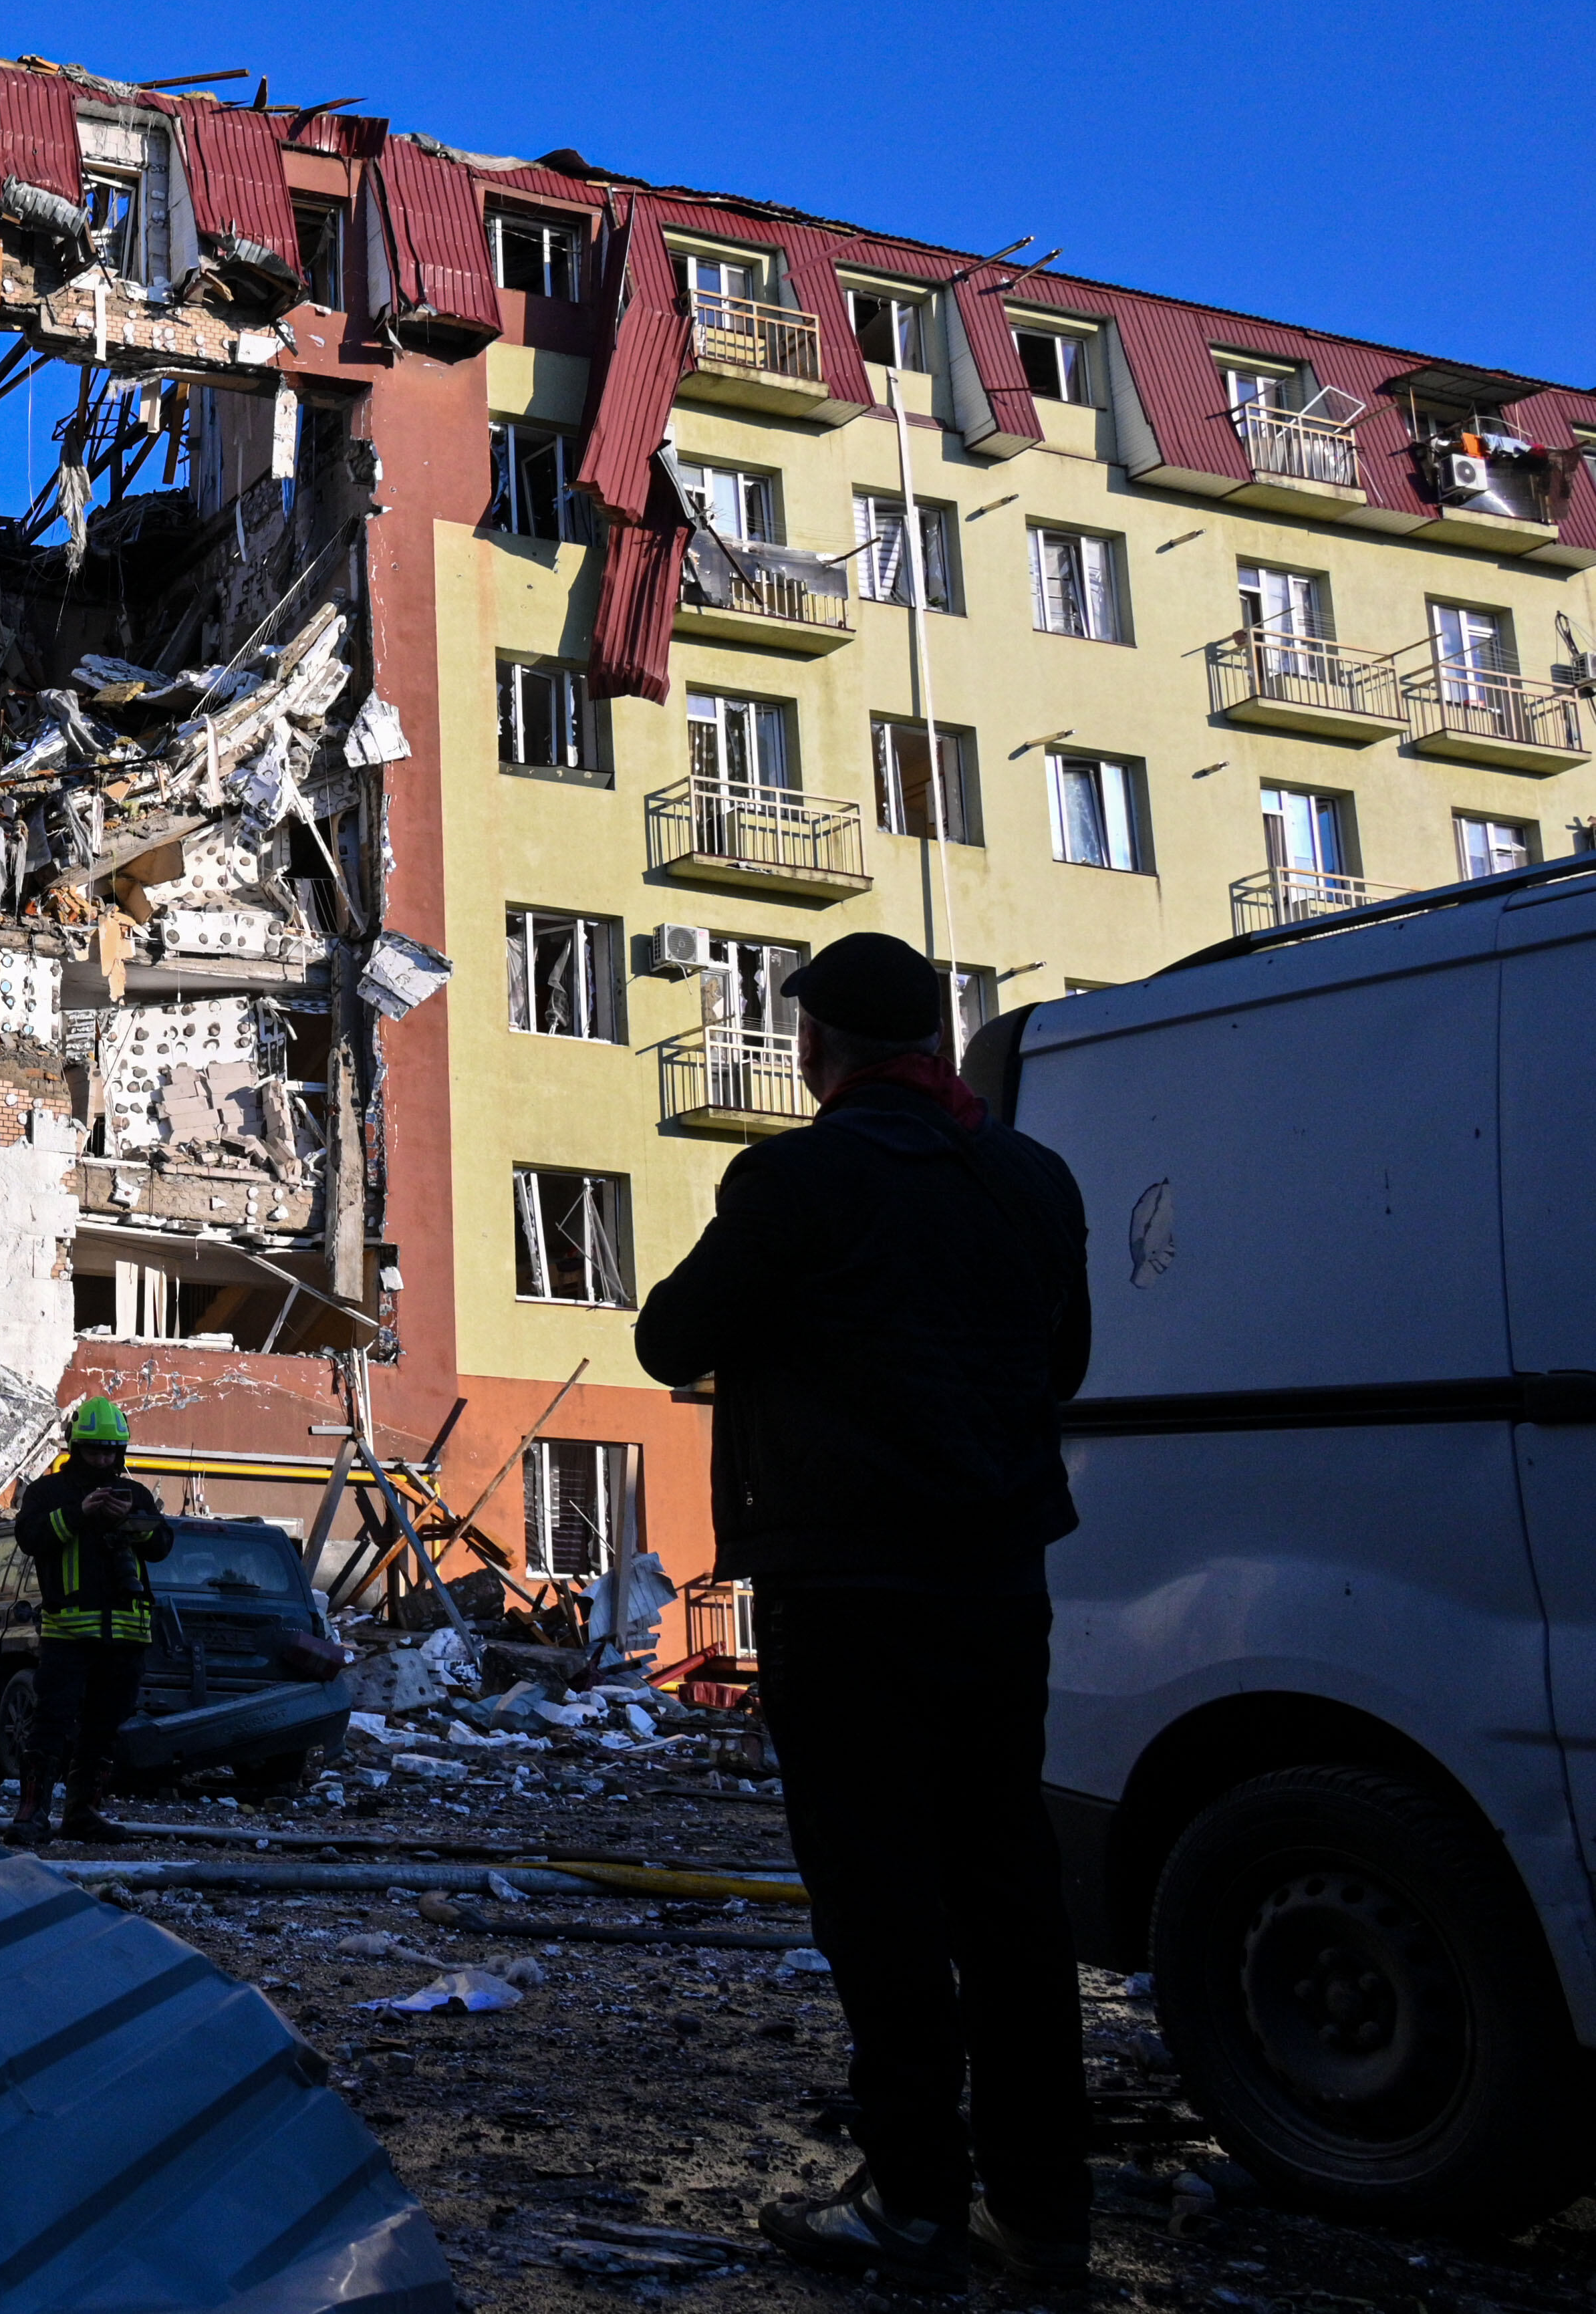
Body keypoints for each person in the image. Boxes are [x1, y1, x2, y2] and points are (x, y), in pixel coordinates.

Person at [634, 930, 1094, 2292]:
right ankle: (1046, 2204)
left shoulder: (799, 1178)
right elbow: (1062, 1356)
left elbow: (672, 1337)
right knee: (1011, 1890)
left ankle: (912, 2199)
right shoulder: (1031, 1177)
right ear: (939, 1046)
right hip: (1001, 1580)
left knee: (881, 1893)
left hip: (848, 1585)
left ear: (819, 1048)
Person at [4, 1396, 174, 1847]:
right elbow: (30, 1538)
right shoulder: (48, 1493)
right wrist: (80, 1514)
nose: (102, 1460)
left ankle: (83, 1812)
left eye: (110, 1451)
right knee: (51, 1723)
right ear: (75, 1447)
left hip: (127, 1634)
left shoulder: (133, 1493)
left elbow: (161, 1546)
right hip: (69, 1634)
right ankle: (31, 1814)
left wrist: (131, 1521)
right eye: (94, 1450)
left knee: (104, 1727)